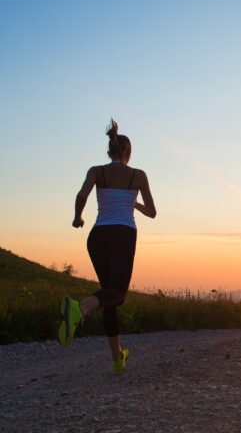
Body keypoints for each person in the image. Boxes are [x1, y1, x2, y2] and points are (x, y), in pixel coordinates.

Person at [58, 119, 156, 373]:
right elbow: (153, 212)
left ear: (108, 151)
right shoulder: (138, 175)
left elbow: (81, 196)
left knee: (109, 295)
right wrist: (132, 203)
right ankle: (78, 309)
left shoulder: (96, 171)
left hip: (97, 236)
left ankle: (117, 358)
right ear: (128, 153)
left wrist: (78, 217)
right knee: (118, 294)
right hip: (123, 234)